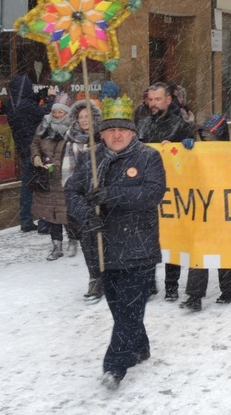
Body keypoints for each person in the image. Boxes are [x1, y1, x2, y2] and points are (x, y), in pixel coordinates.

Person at [66, 95, 166, 391]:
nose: (117, 135)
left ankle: (114, 367)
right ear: (102, 133)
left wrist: (113, 195)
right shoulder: (90, 159)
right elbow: (71, 194)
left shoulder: (148, 157)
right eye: (110, 130)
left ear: (133, 132)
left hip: (138, 249)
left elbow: (152, 194)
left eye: (123, 130)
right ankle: (141, 347)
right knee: (121, 309)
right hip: (103, 248)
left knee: (129, 312)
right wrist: (87, 216)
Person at [136, 82, 195, 302]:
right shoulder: (141, 123)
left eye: (157, 99)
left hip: (173, 190)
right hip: (147, 189)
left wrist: (182, 148)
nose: (152, 104)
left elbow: (192, 160)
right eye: (150, 99)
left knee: (173, 238)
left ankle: (172, 286)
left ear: (169, 100)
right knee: (147, 239)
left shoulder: (181, 125)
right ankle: (149, 284)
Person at [178, 114, 231, 311]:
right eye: (204, 139)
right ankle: (194, 296)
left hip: (225, 208)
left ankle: (229, 289)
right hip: (203, 207)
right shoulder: (198, 152)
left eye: (211, 139)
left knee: (225, 251)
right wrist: (184, 151)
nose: (206, 143)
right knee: (199, 251)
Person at [3, 75, 56, 232]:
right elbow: (46, 112)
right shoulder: (25, 106)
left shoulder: (11, 104)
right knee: (43, 185)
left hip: (23, 150)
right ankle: (44, 223)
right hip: (36, 150)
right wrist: (51, 98)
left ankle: (26, 220)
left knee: (27, 186)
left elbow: (30, 100)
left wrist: (42, 93)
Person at [62, 100, 103, 302]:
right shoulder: (72, 139)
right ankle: (95, 278)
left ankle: (111, 278)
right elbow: (68, 173)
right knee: (89, 241)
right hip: (83, 196)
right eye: (81, 117)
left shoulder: (104, 137)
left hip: (104, 195)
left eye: (88, 116)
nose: (84, 120)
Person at [30, 93, 74, 260]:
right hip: (47, 176)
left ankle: (73, 240)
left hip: (66, 178)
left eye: (60, 112)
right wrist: (36, 157)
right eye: (55, 112)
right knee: (52, 214)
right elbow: (34, 143)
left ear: (67, 113)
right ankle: (57, 246)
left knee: (68, 212)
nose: (56, 115)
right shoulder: (44, 126)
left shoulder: (73, 129)